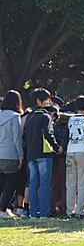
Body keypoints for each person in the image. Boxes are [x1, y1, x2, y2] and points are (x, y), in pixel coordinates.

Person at [23, 88, 61, 218]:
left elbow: (25, 137)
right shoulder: (46, 117)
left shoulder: (29, 117)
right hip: (44, 154)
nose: (49, 103)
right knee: (45, 184)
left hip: (31, 154)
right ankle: (44, 212)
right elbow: (48, 134)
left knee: (33, 183)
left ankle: (33, 212)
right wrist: (56, 147)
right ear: (39, 101)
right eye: (46, 100)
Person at [0, 90, 24, 218]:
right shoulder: (15, 117)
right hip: (11, 154)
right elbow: (17, 139)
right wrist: (21, 156)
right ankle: (3, 209)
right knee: (11, 183)